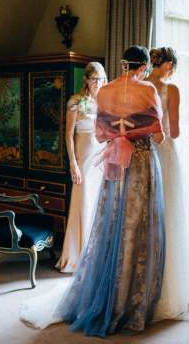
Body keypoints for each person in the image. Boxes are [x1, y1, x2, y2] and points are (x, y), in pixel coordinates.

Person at [20, 45, 166, 337]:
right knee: (138, 225)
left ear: (123, 64)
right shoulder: (148, 90)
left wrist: (119, 133)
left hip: (114, 162)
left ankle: (106, 290)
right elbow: (159, 135)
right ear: (143, 67)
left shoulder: (107, 92)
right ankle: (132, 297)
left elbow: (100, 134)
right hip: (139, 162)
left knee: (111, 221)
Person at [147, 47, 189, 321]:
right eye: (173, 67)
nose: (173, 71)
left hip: (141, 154)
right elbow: (173, 131)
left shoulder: (138, 86)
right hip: (165, 154)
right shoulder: (170, 90)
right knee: (172, 214)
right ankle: (171, 283)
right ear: (168, 66)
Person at [55, 62, 107, 273]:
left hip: (101, 159)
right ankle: (78, 256)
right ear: (86, 79)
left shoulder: (105, 102)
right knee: (83, 203)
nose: (97, 83)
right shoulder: (75, 102)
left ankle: (96, 255)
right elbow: (68, 136)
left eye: (100, 79)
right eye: (93, 79)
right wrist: (73, 165)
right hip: (83, 160)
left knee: (98, 205)